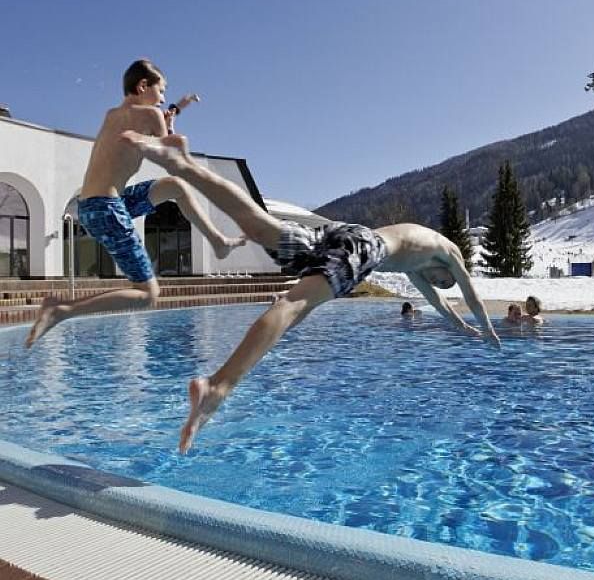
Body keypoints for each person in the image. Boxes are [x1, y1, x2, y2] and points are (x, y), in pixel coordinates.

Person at [120, 130, 500, 453]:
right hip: (364, 248)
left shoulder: (421, 262)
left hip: (345, 231)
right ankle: (217, 387)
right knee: (292, 305)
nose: (436, 283)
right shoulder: (450, 251)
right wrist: (488, 327)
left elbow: (440, 303)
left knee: (257, 221)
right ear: (448, 267)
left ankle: (184, 166)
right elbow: (469, 294)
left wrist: (464, 328)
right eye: (442, 279)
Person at [25, 59, 246, 348]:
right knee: (147, 294)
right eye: (162, 90)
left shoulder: (111, 114)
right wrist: (172, 122)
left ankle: (218, 241)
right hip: (108, 209)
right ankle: (62, 310)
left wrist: (176, 109)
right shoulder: (152, 115)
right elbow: (172, 158)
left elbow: (153, 132)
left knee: (174, 188)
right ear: (143, 86)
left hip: (94, 205)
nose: (164, 98)